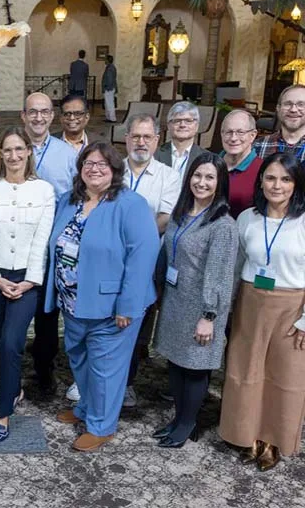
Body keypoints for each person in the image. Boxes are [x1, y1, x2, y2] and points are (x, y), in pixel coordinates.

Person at [45, 141, 159, 452]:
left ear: (115, 169)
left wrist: (128, 305)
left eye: (102, 164)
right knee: (79, 359)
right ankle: (85, 408)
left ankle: (101, 426)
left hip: (112, 308)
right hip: (73, 303)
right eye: (88, 163)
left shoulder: (130, 204)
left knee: (106, 369)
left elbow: (143, 256)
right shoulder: (69, 201)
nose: (94, 169)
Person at [70, 113, 179, 409]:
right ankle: (91, 396)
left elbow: (163, 220)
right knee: (91, 342)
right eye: (136, 136)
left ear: (157, 140)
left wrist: (128, 235)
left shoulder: (165, 179)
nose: (141, 142)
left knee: (126, 336)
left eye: (147, 137)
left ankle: (119, 393)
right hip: (96, 271)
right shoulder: (104, 174)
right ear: (126, 138)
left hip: (141, 264)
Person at [219, 152, 305, 471]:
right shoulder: (248, 218)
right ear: (261, 182)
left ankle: (273, 441)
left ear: (296, 184)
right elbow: (237, 265)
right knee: (246, 371)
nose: (276, 185)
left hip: (292, 308)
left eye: (285, 179)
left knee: (285, 376)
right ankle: (247, 435)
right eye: (270, 178)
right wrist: (225, 307)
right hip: (251, 301)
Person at [0, 126, 55, 442]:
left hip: (26, 281)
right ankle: (15, 388)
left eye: (20, 148)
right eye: (7, 149)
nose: (14, 155)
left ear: (29, 152)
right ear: (0, 154)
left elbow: (42, 240)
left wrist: (29, 281)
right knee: (1, 342)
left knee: (10, 341)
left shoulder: (44, 191)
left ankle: (3, 412)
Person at [152, 153, 238, 448]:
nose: (202, 182)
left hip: (202, 307)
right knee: (176, 363)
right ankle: (178, 419)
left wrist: (209, 316)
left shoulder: (222, 224)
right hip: (176, 300)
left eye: (210, 177)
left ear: (220, 182)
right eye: (197, 175)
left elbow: (220, 275)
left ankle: (188, 423)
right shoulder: (181, 213)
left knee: (195, 368)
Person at [21, 92, 78, 399]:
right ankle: (9, 369)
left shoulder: (67, 154)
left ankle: (44, 371)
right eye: (33, 112)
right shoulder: (13, 147)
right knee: (15, 310)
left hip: (52, 247)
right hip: (18, 244)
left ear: (52, 116)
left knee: (47, 314)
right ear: (23, 115)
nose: (38, 117)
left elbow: (76, 197)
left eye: (44, 112)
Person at [220, 110, 263, 218]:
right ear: (221, 134)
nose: (233, 138)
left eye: (240, 132)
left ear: (252, 135)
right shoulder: (209, 165)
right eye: (228, 132)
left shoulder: (263, 170)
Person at [253, 84, 305, 162]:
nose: (293, 110)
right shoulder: (257, 146)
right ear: (278, 108)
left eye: (301, 104)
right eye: (288, 104)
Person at [154, 102, 205, 181]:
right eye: (177, 121)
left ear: (197, 126)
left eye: (188, 121)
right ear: (169, 125)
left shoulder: (205, 157)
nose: (182, 125)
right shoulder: (154, 155)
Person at [102, 55, 117, 123]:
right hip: (109, 88)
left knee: (110, 104)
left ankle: (112, 118)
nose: (104, 60)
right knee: (107, 104)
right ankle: (108, 117)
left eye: (105, 59)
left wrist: (107, 87)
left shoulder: (110, 68)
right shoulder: (110, 67)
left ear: (108, 60)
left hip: (109, 88)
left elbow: (110, 79)